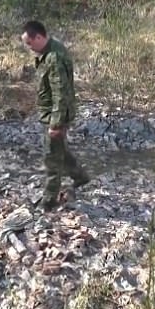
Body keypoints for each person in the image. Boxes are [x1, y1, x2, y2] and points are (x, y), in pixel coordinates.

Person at [21, 20, 90, 212]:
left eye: (30, 43)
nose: (29, 47)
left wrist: (56, 123)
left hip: (56, 114)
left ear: (39, 37)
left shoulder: (54, 57)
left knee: (51, 156)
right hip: (52, 113)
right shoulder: (48, 52)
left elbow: (61, 92)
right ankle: (80, 176)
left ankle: (49, 200)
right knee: (59, 149)